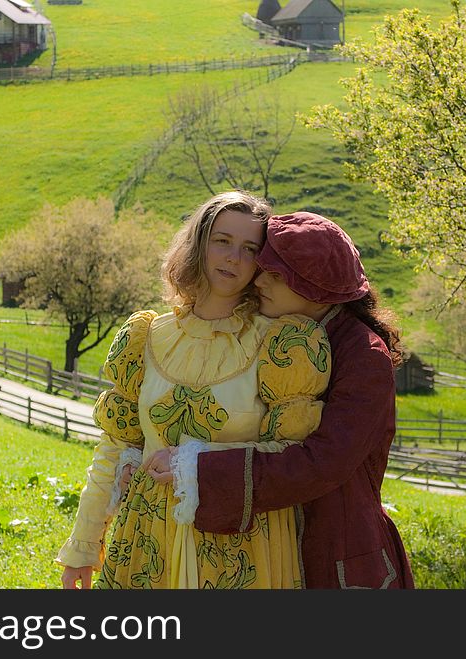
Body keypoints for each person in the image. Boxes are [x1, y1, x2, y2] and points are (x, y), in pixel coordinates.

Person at [56, 192, 332, 589]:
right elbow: (114, 448)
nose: (233, 257)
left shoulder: (283, 346)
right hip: (148, 542)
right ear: (198, 244)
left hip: (242, 548)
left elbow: (293, 460)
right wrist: (83, 546)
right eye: (222, 241)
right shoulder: (146, 336)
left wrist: (196, 464)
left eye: (249, 248)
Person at [144, 211, 415, 589]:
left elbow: (323, 461)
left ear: (314, 287)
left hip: (338, 555)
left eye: (275, 275)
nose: (259, 280)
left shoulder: (364, 356)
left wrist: (198, 469)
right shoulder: (277, 332)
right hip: (270, 545)